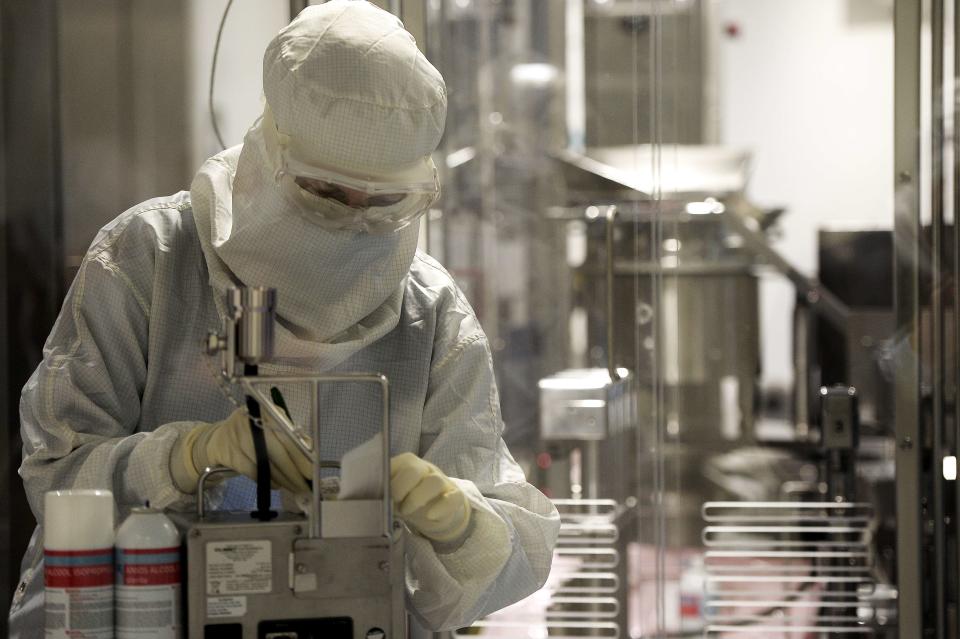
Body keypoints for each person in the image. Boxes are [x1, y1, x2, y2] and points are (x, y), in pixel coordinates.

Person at [8, 1, 560, 635]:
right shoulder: (149, 259)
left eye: (383, 203)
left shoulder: (429, 314)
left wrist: (461, 523)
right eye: (326, 193)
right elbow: (57, 475)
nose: (352, 221)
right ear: (270, 147)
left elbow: (497, 565)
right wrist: (184, 458)